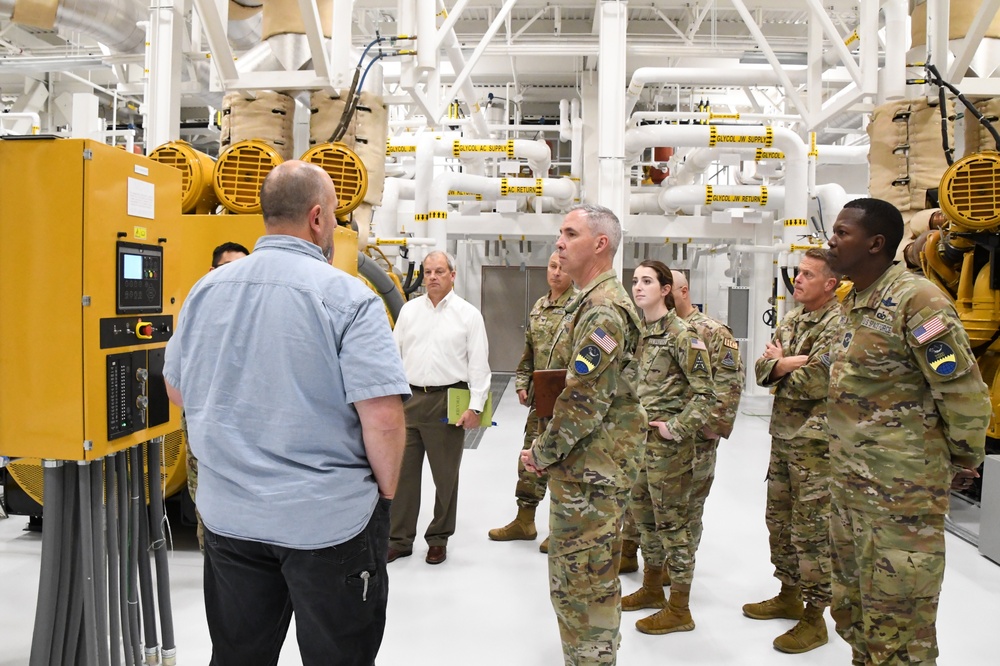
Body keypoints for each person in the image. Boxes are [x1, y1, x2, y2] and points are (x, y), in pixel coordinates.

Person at [162, 160, 409, 666]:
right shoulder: (349, 298)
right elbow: (382, 417)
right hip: (328, 522)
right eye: (337, 216)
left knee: (239, 655)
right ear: (317, 218)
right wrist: (384, 496)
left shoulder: (205, 291)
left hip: (231, 518)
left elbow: (177, 390)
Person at [826, 197, 990, 665]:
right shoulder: (855, 301)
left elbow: (960, 387)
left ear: (876, 243)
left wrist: (963, 459)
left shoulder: (918, 301)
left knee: (899, 625)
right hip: (852, 489)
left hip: (903, 496)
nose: (831, 241)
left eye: (842, 233)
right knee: (856, 614)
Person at [521, 204, 647, 665]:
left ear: (600, 244)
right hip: (585, 466)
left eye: (570, 233)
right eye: (559, 233)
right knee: (583, 579)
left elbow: (582, 402)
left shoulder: (604, 311)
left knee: (583, 584)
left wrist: (542, 452)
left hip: (592, 470)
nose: (559, 242)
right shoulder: (587, 303)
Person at [742, 248, 840, 654]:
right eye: (797, 273)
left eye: (807, 275)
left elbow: (818, 381)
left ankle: (815, 617)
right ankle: (788, 593)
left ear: (830, 284)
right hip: (783, 440)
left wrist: (782, 367)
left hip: (818, 449)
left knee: (812, 532)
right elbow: (761, 371)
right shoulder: (794, 319)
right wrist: (783, 365)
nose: (796, 280)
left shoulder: (837, 323)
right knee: (778, 521)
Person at [620, 260, 715, 637]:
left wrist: (676, 428)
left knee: (673, 527)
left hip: (669, 451)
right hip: (640, 447)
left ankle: (680, 608)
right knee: (644, 522)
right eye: (635, 281)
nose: (638, 287)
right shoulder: (639, 334)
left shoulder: (682, 334)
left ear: (665, 290)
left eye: (647, 281)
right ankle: (651, 587)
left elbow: (707, 394)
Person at [388, 250, 491, 565]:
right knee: (403, 476)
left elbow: (479, 365)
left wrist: (476, 406)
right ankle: (400, 539)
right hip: (409, 399)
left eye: (439, 271)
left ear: (452, 275)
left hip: (448, 401)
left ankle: (438, 538)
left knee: (445, 476)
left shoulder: (468, 315)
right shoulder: (408, 312)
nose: (432, 277)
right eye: (428, 272)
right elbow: (394, 355)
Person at [488, 252, 576, 552]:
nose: (556, 272)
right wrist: (523, 382)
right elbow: (529, 352)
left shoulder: (579, 306)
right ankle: (525, 520)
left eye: (562, 267)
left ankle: (560, 530)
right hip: (541, 401)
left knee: (562, 464)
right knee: (530, 458)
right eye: (552, 266)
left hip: (568, 402)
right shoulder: (540, 306)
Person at [669, 270, 744, 562]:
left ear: (684, 291)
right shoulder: (658, 328)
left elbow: (730, 379)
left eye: (669, 291)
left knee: (688, 503)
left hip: (696, 434)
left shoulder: (712, 331)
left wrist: (714, 425)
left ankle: (679, 567)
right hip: (662, 431)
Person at [184, 241, 250, 550]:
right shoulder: (195, 314)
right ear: (212, 272)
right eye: (228, 269)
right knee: (209, 510)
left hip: (249, 436)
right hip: (207, 433)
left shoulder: (259, 316)